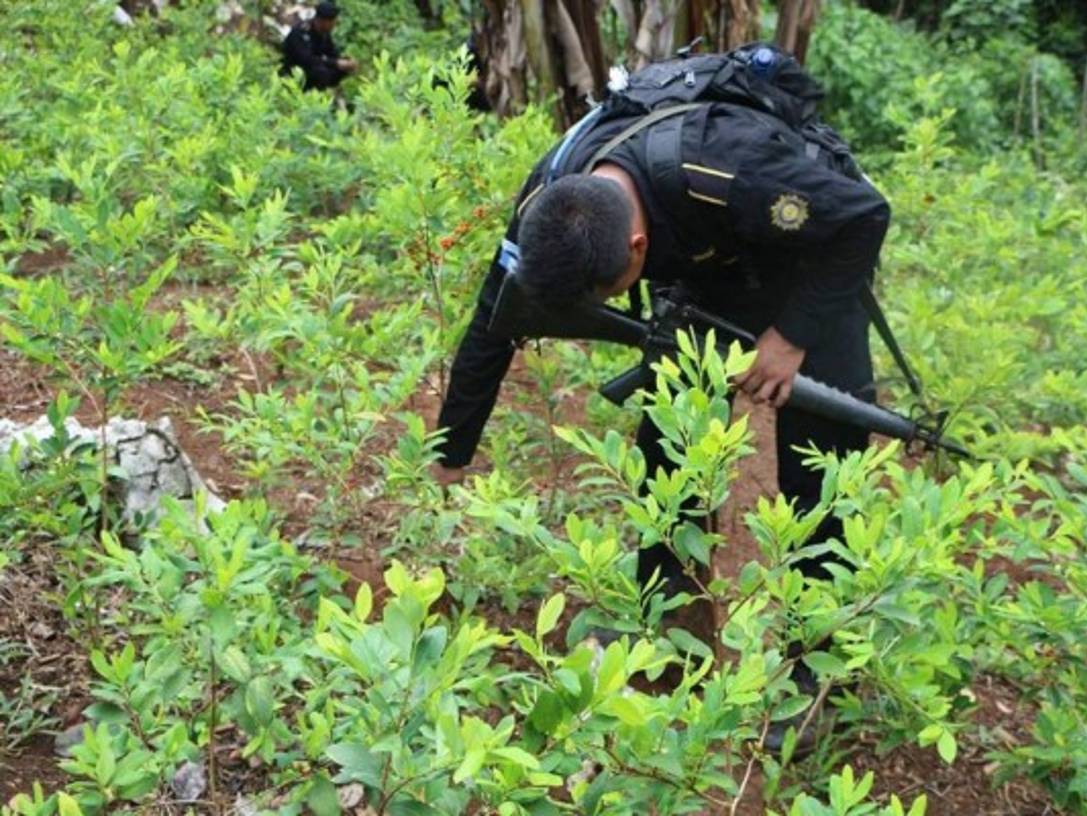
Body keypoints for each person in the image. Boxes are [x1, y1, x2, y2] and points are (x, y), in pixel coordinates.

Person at [433, 49, 890, 751]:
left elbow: (863, 216)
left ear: (638, 247)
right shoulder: (551, 201)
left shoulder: (730, 167)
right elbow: (492, 324)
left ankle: (818, 679)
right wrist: (451, 454)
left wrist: (791, 337)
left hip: (808, 263)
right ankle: (668, 628)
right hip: (701, 279)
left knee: (818, 479)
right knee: (667, 460)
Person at [280, 2, 358, 92]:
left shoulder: (324, 34)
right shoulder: (300, 32)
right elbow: (307, 59)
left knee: (341, 69)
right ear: (323, 21)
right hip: (296, 71)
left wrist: (345, 61)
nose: (334, 25)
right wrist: (335, 63)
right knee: (321, 72)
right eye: (332, 22)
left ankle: (329, 91)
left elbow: (332, 52)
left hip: (315, 66)